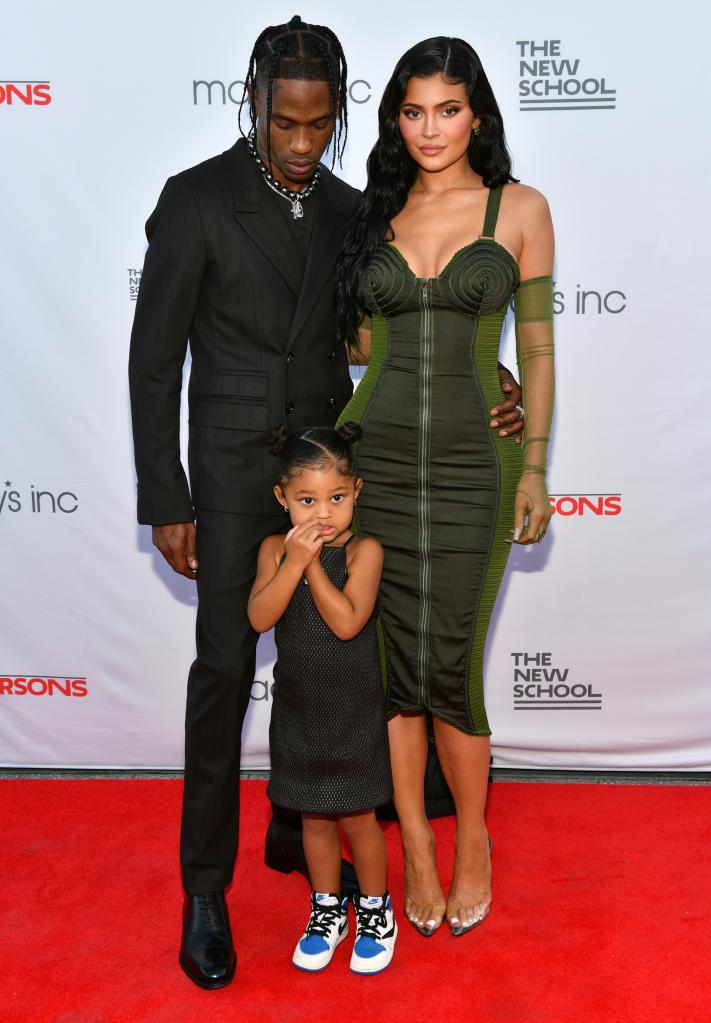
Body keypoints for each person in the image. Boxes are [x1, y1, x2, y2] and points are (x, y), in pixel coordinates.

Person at [129, 17, 524, 988]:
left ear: (339, 115)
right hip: (225, 480)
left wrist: (493, 376)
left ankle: (310, 824)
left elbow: (370, 339)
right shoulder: (194, 202)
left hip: (336, 478)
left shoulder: (355, 210)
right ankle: (204, 892)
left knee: (343, 664)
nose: (301, 145)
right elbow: (153, 358)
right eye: (283, 124)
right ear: (253, 103)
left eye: (317, 126)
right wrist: (164, 494)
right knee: (224, 672)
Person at [336, 37, 555, 938]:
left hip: (478, 466)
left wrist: (535, 458)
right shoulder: (370, 216)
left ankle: (473, 836)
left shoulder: (521, 209)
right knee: (392, 669)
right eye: (414, 111)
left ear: (479, 115)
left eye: (449, 109)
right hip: (373, 458)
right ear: (396, 118)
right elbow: (356, 344)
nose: (431, 129)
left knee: (454, 662)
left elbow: (537, 346)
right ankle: (415, 843)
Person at [248, 423, 396, 974]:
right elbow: (260, 617)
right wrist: (290, 562)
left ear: (356, 491)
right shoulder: (272, 549)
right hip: (300, 710)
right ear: (281, 498)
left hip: (353, 709)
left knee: (360, 819)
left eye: (336, 498)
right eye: (306, 500)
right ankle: (327, 909)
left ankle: (377, 911)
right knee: (313, 819)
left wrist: (309, 564)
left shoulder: (365, 550)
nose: (322, 514)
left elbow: (347, 623)